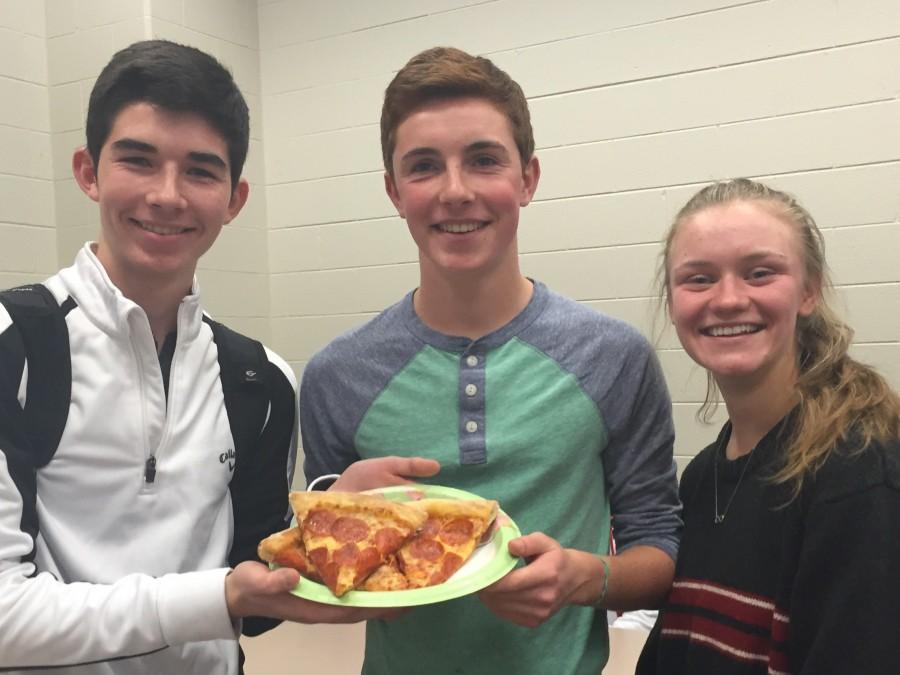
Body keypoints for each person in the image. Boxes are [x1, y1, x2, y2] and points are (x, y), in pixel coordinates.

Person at [0, 39, 438, 675]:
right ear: (88, 171)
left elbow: (254, 604)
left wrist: (328, 519)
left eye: (201, 171)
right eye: (139, 160)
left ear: (234, 199)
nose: (168, 195)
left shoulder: (259, 379)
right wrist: (218, 595)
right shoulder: (14, 347)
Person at [299, 46, 682, 675]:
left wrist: (588, 579)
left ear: (527, 178)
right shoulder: (337, 376)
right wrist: (344, 554)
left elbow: (659, 549)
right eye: (424, 167)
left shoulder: (613, 357)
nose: (456, 191)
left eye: (483, 160)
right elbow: (327, 572)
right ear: (395, 192)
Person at [636, 178, 900, 674]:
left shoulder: (860, 475)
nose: (729, 299)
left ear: (809, 290)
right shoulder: (703, 479)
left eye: (760, 273)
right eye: (699, 279)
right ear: (672, 303)